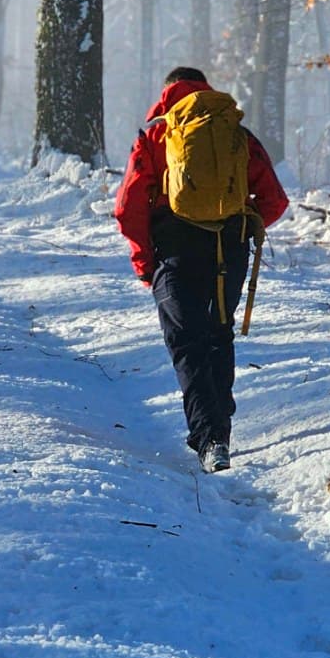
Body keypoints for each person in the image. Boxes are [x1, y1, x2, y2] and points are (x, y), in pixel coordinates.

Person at [115, 67, 289, 473]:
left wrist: (145, 264)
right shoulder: (233, 133)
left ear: (167, 94)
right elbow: (275, 200)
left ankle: (209, 437)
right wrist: (242, 224)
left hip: (175, 250)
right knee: (218, 332)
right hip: (229, 246)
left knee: (187, 342)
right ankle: (219, 431)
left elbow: (128, 209)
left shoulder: (157, 135)